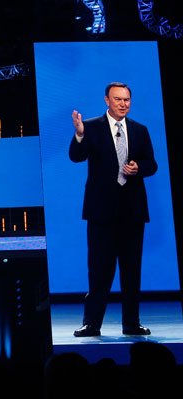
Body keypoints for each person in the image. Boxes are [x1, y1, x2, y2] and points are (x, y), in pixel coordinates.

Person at [69, 82, 157, 337]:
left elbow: (152, 164)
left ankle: (132, 324)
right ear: (107, 100)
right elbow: (76, 156)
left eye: (127, 99)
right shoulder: (92, 127)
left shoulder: (140, 130)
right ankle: (92, 324)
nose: (123, 103)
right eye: (118, 99)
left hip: (132, 212)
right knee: (99, 270)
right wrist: (79, 135)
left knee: (132, 270)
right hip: (101, 213)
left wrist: (138, 168)